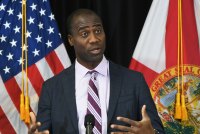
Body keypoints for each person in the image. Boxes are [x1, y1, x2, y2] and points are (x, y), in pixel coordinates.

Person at [28, 8, 165, 134]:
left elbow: (157, 129)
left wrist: (152, 133)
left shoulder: (134, 81)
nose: (94, 39)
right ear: (71, 40)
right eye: (84, 33)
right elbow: (42, 131)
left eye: (98, 31)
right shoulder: (52, 88)